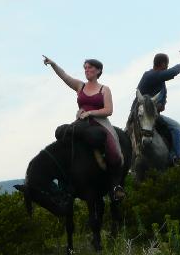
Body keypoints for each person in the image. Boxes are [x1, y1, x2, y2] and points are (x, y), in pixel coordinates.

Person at [42, 55, 126, 200]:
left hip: (100, 122)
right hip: (80, 123)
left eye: (90, 68)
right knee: (64, 140)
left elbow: (109, 110)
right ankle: (63, 182)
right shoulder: (80, 86)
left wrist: (90, 112)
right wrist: (53, 64)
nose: (87, 70)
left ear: (98, 70)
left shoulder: (104, 89)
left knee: (114, 152)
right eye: (85, 68)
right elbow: (64, 76)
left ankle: (115, 186)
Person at [136, 53, 180, 163]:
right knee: (176, 127)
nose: (167, 67)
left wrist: (161, 105)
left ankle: (171, 155)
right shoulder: (151, 75)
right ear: (163, 64)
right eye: (167, 65)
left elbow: (163, 97)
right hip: (144, 115)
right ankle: (178, 158)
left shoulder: (160, 80)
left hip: (154, 114)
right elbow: (172, 72)